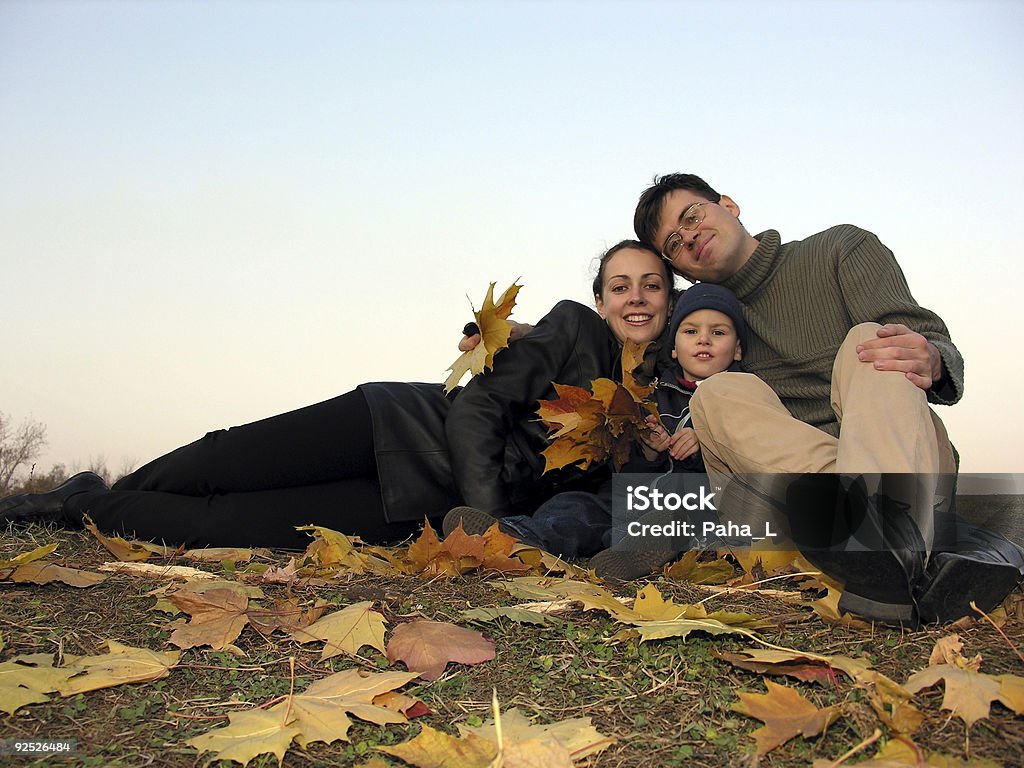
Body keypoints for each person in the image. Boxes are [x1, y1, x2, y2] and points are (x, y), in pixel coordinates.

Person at [0, 241, 673, 551]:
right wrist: (488, 521)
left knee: (216, 526)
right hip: (398, 425)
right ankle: (67, 498)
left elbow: (606, 506)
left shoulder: (658, 405)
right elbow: (477, 407)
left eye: (651, 285)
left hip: (413, 508)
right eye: (621, 284)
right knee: (219, 457)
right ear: (600, 299)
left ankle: (82, 506)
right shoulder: (574, 330)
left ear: (670, 302)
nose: (636, 296)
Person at [623, 173, 1022, 623]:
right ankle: (904, 546)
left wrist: (933, 357)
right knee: (715, 392)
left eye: (692, 215)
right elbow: (632, 331)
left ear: (729, 206)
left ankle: (884, 537)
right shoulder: (707, 327)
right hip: (784, 507)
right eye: (674, 243)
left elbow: (923, 339)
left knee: (873, 340)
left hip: (900, 463)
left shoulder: (839, 250)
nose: (689, 236)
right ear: (683, 271)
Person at [445, 282, 746, 568]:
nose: (704, 339)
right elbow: (628, 465)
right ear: (673, 347)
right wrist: (651, 454)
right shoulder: (651, 393)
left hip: (694, 497)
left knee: (679, 513)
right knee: (574, 506)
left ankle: (634, 552)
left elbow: (747, 454)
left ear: (737, 350)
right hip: (633, 495)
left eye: (718, 333)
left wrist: (704, 443)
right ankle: (519, 537)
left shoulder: (741, 395)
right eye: (691, 331)